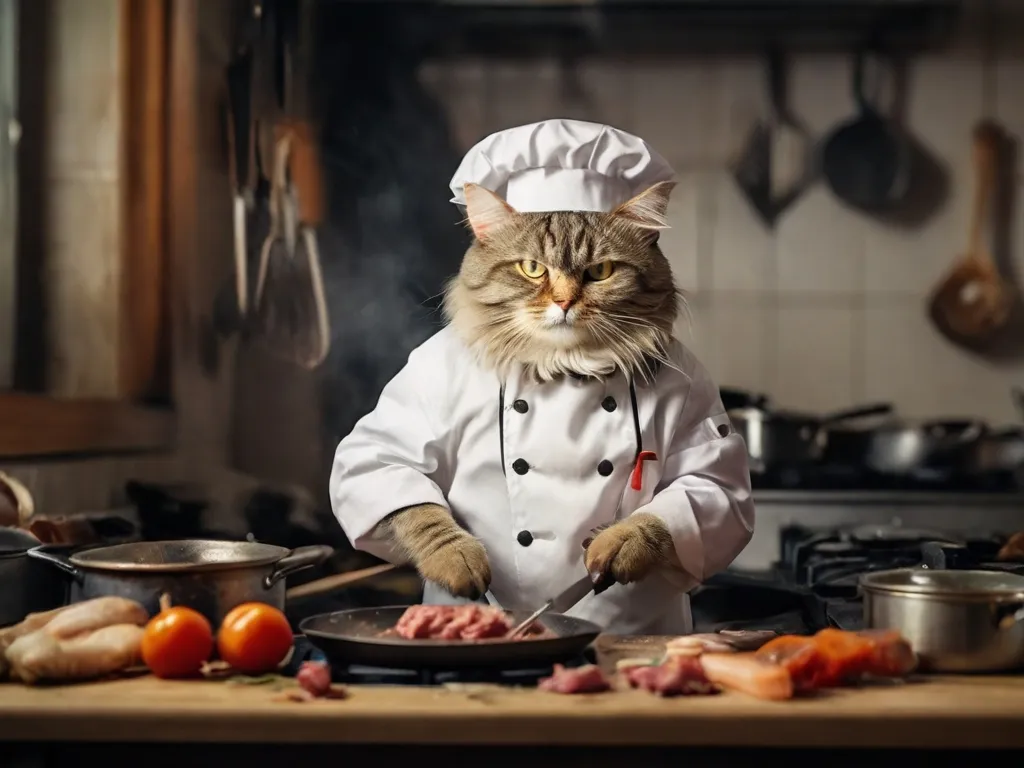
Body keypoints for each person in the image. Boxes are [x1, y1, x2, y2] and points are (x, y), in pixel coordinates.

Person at [330, 119, 754, 634]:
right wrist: (433, 538)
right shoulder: (445, 363)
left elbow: (722, 490)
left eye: (598, 272)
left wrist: (658, 530)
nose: (563, 299)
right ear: (483, 243)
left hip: (631, 645)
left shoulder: (675, 374)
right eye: (532, 270)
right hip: (471, 636)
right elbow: (367, 467)